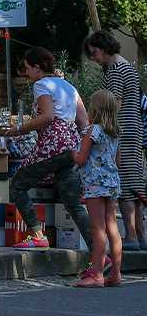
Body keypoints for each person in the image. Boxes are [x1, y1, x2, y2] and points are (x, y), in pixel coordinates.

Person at [5, 46, 94, 249]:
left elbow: (48, 116)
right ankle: (100, 254)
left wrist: (19, 129)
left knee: (18, 185)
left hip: (53, 145)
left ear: (37, 67)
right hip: (72, 147)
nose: (27, 73)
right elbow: (84, 121)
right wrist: (83, 149)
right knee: (73, 204)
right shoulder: (69, 87)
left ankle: (38, 236)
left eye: (27, 68)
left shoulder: (41, 85)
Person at [84, 30, 146, 251]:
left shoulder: (116, 70)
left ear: (103, 48)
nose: (93, 58)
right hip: (135, 130)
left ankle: (130, 236)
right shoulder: (128, 66)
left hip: (122, 131)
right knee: (135, 184)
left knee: (124, 184)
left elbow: (114, 104)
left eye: (93, 52)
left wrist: (98, 127)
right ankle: (140, 236)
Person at [72, 90, 123, 287]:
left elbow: (81, 159)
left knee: (97, 228)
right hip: (112, 183)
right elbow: (117, 162)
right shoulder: (114, 133)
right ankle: (116, 274)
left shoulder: (92, 131)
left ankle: (97, 275)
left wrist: (73, 152)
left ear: (95, 109)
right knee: (112, 228)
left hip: (94, 184)